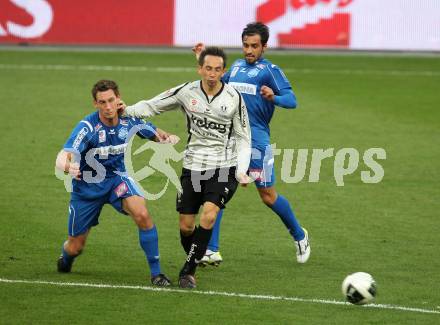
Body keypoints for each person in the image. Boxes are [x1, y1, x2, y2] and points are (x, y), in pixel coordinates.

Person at [121, 46, 251, 288]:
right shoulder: (186, 91)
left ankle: (188, 271)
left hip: (224, 167)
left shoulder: (234, 98)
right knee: (186, 225)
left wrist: (242, 169)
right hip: (192, 166)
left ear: (224, 72)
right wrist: (126, 110)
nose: (212, 74)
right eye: (208, 68)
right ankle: (195, 256)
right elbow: (153, 105)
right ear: (200, 69)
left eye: (217, 69)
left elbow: (244, 136)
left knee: (209, 216)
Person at [193, 22, 310, 265]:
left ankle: (299, 235)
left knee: (267, 196)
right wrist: (202, 60)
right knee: (217, 192)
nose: (249, 50)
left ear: (264, 47)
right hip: (230, 140)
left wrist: (274, 97)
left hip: (257, 141)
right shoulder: (235, 67)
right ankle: (211, 249)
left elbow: (292, 100)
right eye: (246, 45)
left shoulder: (270, 70)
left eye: (254, 46)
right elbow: (218, 82)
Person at [55, 79, 179, 286]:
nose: (108, 107)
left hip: (116, 179)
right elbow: (63, 155)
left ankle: (157, 274)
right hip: (87, 189)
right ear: (95, 104)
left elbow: (155, 134)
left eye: (111, 100)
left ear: (118, 97)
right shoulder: (88, 127)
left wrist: (166, 138)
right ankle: (66, 258)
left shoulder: (128, 119)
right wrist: (67, 167)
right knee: (76, 246)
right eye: (102, 102)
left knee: (142, 212)